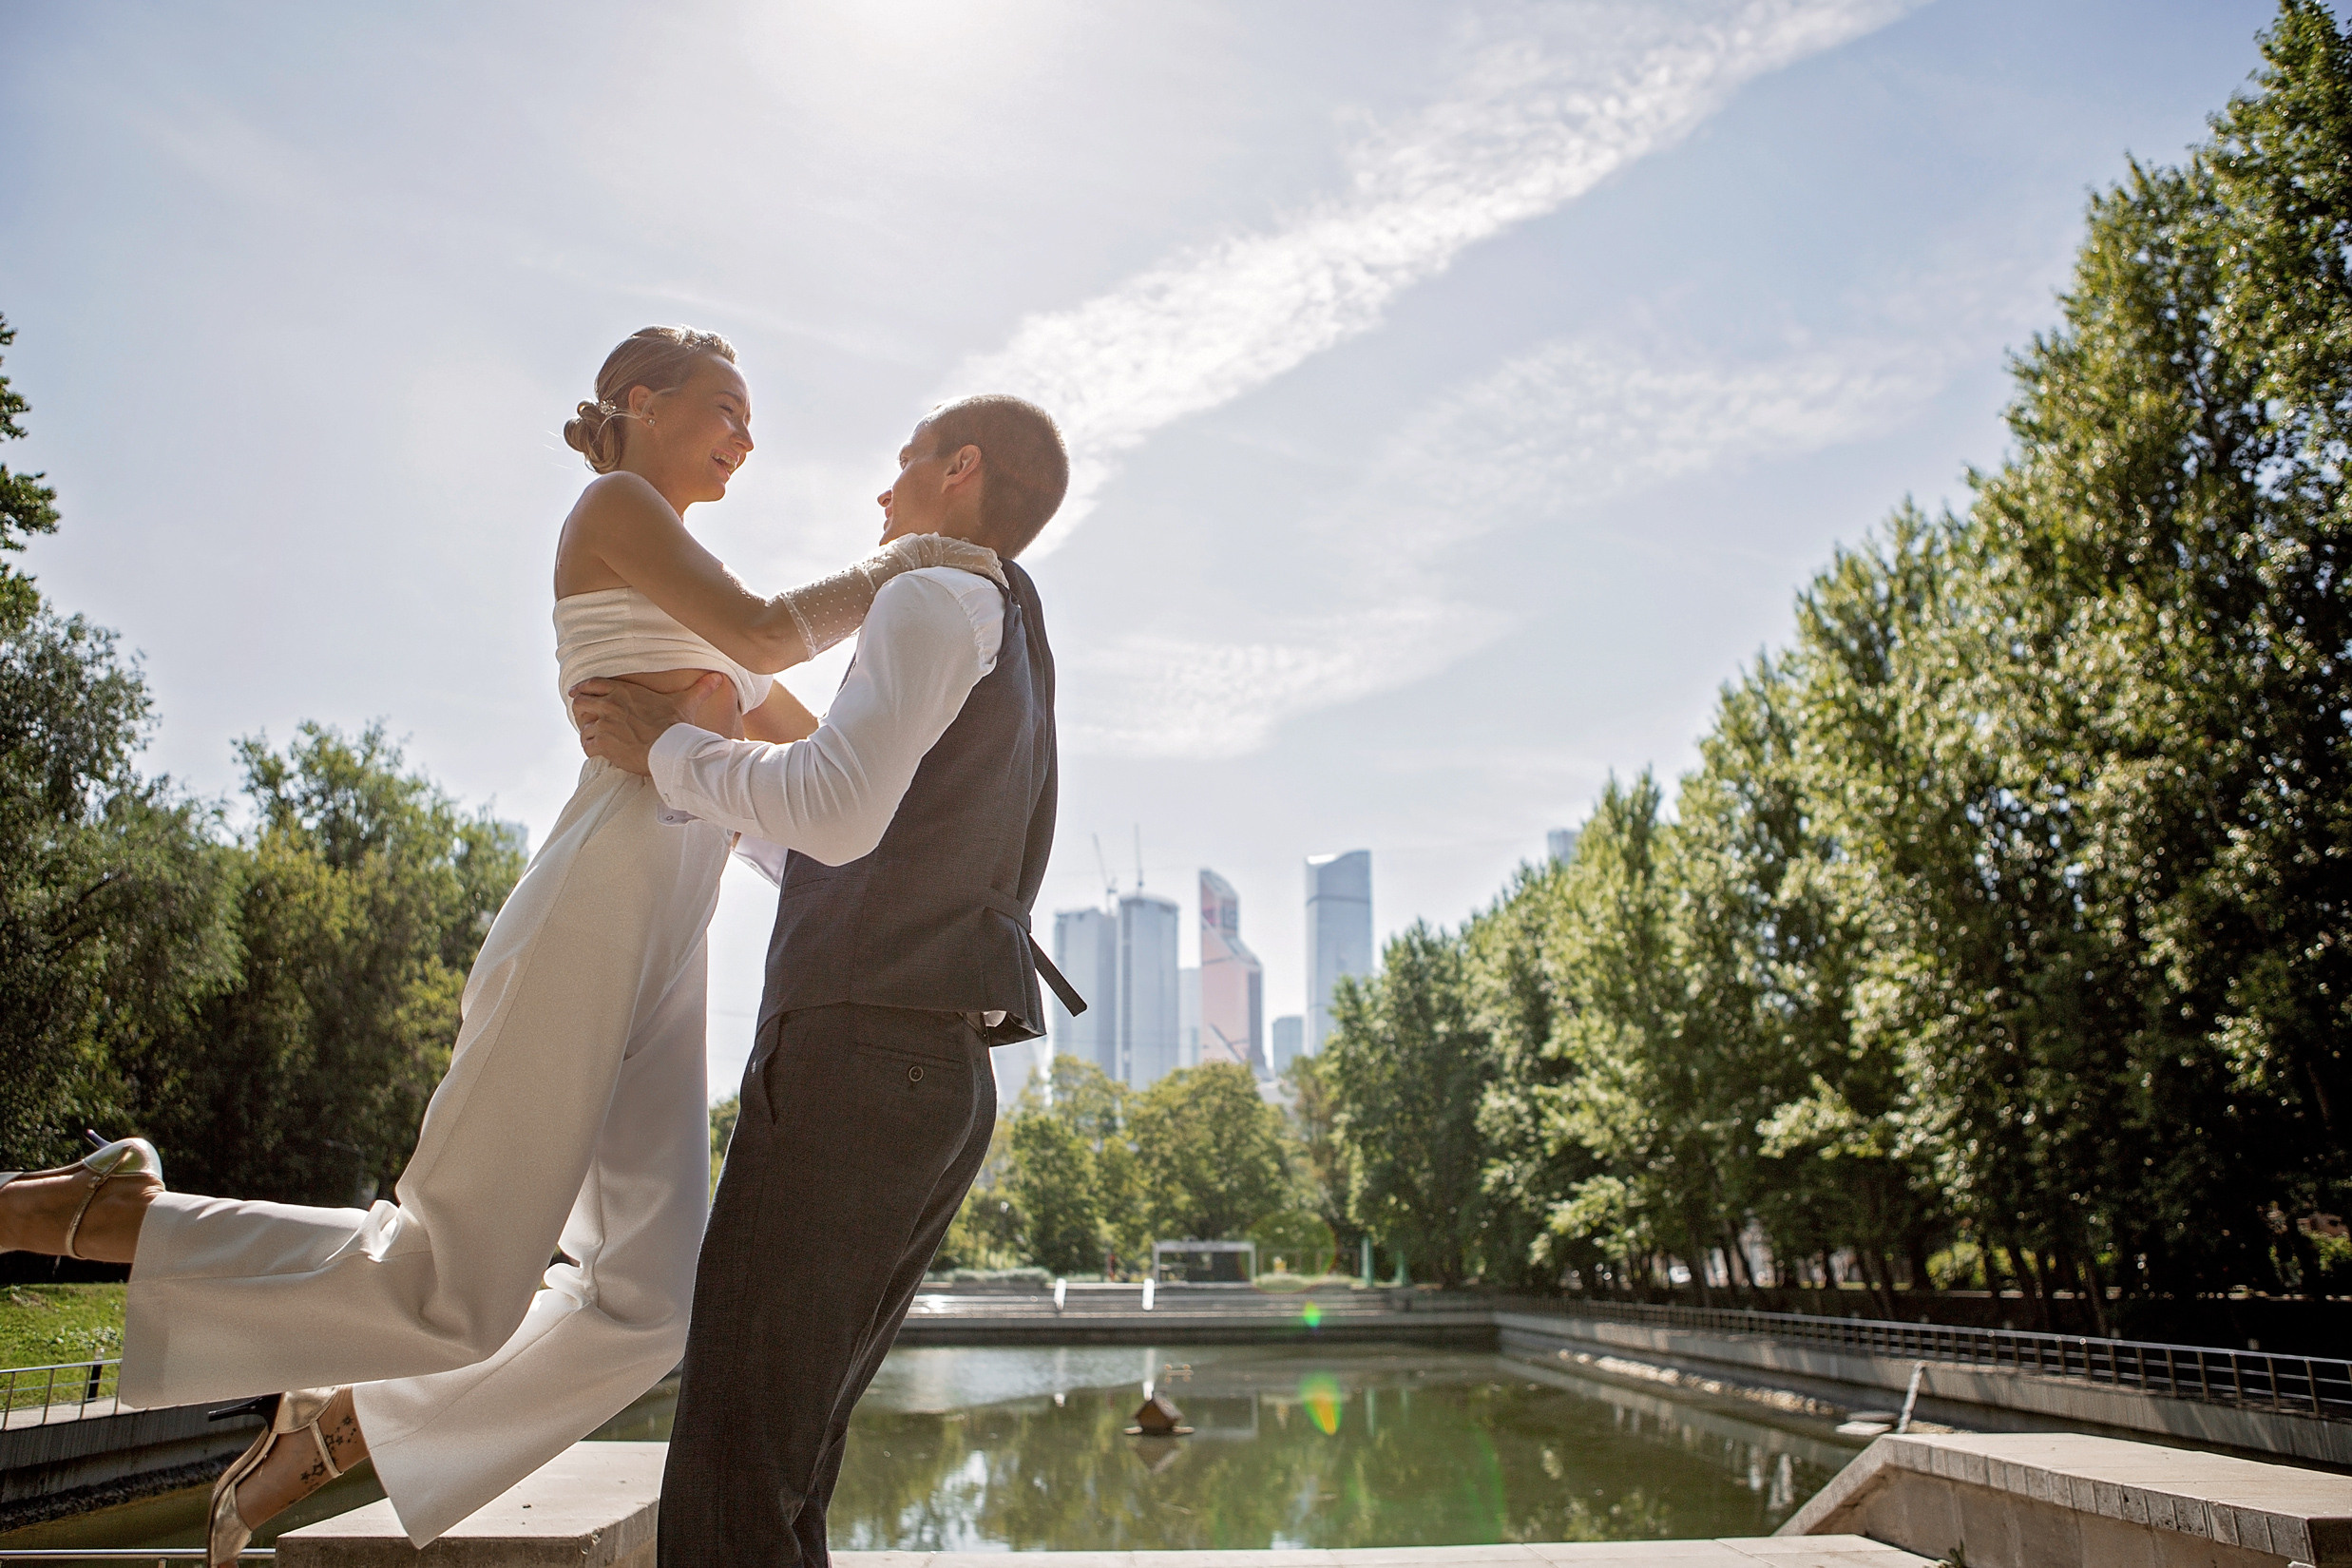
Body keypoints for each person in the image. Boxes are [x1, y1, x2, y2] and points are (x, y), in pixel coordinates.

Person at [0, 327, 1004, 1566]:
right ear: (640, 400)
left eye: (752, 421)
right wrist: (909, 562)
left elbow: (827, 778)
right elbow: (761, 637)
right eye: (725, 408)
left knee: (650, 1305)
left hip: (669, 945)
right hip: (593, 909)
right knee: (449, 1282)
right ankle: (117, 1215)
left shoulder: (687, 578)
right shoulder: (615, 511)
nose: (747, 438)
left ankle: (349, 1419)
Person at [567, 392, 1075, 1567]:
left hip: (857, 1064)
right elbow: (851, 840)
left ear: (961, 468)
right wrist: (713, 763)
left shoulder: (930, 595)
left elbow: (838, 813)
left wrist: (664, 749)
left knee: (731, 1481)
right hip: (933, 1076)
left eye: (904, 462)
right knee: (781, 1474)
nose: (883, 491)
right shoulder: (1010, 631)